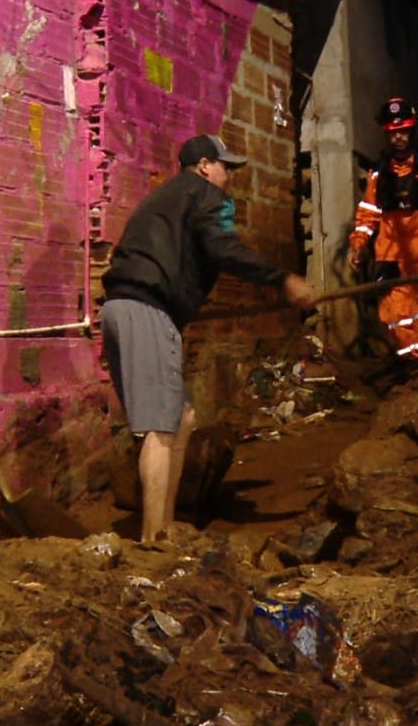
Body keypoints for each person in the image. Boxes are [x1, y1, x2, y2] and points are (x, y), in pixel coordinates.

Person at [100, 134, 317, 541]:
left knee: (181, 419)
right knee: (161, 426)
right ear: (204, 166)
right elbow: (224, 248)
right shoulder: (204, 194)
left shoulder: (164, 200)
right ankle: (153, 538)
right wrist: (282, 279)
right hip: (147, 308)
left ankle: (164, 527)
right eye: (225, 167)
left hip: (122, 309)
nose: (229, 176)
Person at [350, 97, 418, 359]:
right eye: (393, 133)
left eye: (403, 131)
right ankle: (412, 363)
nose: (399, 138)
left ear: (411, 131)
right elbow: (368, 213)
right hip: (391, 249)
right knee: (394, 312)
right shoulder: (378, 174)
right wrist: (359, 245)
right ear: (387, 134)